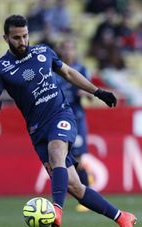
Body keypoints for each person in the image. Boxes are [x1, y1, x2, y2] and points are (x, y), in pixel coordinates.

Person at [0, 15, 135, 227]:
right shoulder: (1, 68)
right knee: (75, 187)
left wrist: (98, 91)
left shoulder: (44, 53)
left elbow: (68, 73)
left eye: (25, 36)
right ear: (6, 38)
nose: (22, 41)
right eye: (16, 38)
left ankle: (56, 209)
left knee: (56, 150)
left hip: (61, 114)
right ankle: (122, 217)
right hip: (37, 130)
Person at [55, 38, 92, 212]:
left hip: (76, 119)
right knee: (61, 157)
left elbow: (92, 94)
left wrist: (84, 91)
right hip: (58, 119)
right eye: (66, 49)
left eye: (71, 49)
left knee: (78, 158)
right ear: (61, 51)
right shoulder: (54, 69)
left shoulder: (82, 69)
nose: (69, 52)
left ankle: (85, 197)